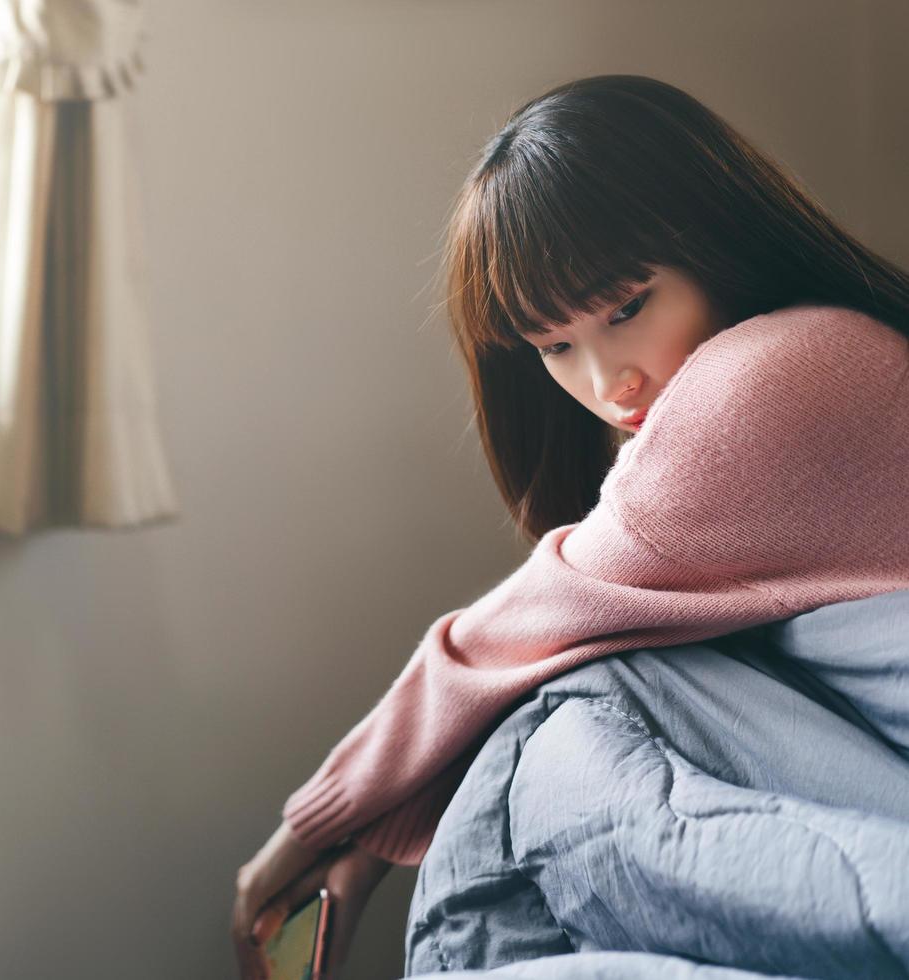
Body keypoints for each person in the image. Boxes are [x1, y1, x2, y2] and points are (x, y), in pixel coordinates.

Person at [231, 73, 909, 980]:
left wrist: (318, 829)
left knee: (559, 708)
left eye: (627, 307)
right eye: (555, 345)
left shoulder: (779, 375)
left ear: (717, 237)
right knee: (564, 702)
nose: (607, 381)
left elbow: (510, 636)